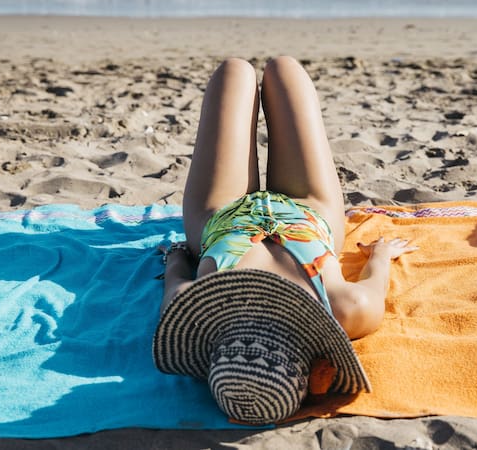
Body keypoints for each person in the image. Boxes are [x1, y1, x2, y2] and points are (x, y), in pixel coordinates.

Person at [152, 56, 418, 425]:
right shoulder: (193, 309)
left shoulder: (349, 309)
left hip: (284, 216)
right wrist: (179, 255)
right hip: (243, 216)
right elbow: (176, 273)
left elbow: (378, 267)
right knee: (268, 70)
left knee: (250, 71)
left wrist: (381, 252)